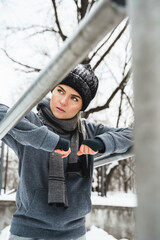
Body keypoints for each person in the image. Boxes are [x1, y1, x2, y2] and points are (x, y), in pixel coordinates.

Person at [0, 64, 133, 240]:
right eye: (60, 91)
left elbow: (133, 135)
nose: (63, 101)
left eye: (74, 98)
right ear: (53, 90)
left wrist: (101, 142)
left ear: (81, 107)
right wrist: (49, 141)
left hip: (74, 234)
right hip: (28, 232)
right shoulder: (31, 123)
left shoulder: (87, 131)